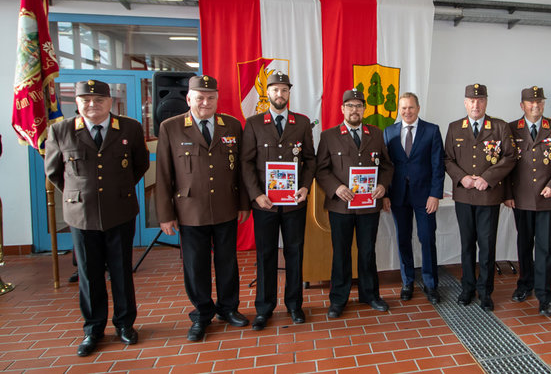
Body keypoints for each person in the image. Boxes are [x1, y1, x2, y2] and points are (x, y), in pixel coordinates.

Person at [45, 79, 149, 357]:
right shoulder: (61, 130)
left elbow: (140, 164)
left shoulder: (129, 128)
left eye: (99, 100)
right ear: (78, 103)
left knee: (121, 271)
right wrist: (79, 195)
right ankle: (93, 329)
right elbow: (54, 172)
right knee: (89, 275)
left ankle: (125, 324)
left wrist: (118, 190)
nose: (93, 104)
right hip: (82, 215)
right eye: (86, 100)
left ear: (110, 102)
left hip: (120, 211)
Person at [155, 75, 251, 341]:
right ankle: (202, 314)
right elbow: (163, 173)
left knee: (227, 262)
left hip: (225, 206)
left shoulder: (231, 125)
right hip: (190, 210)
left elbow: (241, 169)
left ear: (217, 99)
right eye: (200, 98)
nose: (205, 102)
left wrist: (243, 203)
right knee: (196, 266)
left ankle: (228, 308)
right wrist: (165, 214)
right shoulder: (171, 127)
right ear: (189, 99)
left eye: (210, 97)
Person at [240, 72, 316, 330]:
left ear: (289, 93)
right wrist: (256, 194)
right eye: (275, 90)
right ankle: (264, 308)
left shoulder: (302, 122)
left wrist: (305, 187)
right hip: (265, 204)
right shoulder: (254, 123)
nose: (280, 94)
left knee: (295, 253)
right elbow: (246, 162)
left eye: (284, 90)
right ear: (268, 93)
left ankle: (294, 305)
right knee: (266, 255)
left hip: (295, 202)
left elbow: (310, 160)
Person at [316, 89, 394, 318]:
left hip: (369, 205)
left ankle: (370, 295)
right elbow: (321, 170)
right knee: (341, 252)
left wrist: (383, 186)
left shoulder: (376, 134)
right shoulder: (329, 136)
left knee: (367, 251)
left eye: (358, 106)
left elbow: (387, 166)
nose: (354, 110)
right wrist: (336, 188)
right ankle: (338, 299)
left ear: (364, 109)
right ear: (342, 109)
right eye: (350, 105)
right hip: (341, 206)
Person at [444, 83, 516, 311]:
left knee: (486, 246)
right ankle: (467, 289)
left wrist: (488, 177)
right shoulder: (455, 127)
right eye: (472, 101)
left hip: (489, 196)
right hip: (464, 195)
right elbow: (447, 159)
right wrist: (462, 178)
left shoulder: (500, 127)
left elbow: (510, 157)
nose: (476, 104)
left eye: (480, 100)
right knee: (466, 245)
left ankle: (485, 292)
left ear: (486, 102)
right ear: (465, 103)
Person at [504, 86, 551, 317]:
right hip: (521, 198)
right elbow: (505, 165)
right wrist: (508, 194)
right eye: (531, 102)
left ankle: (545, 297)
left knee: (545, 249)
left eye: (540, 102)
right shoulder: (511, 129)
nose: (536, 106)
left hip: (547, 200)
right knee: (524, 245)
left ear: (543, 104)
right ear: (522, 105)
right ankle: (525, 285)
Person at [383, 92, 445, 304]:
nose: (407, 111)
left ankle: (430, 284)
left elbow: (438, 165)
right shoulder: (389, 132)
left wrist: (435, 194)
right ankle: (407, 281)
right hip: (398, 196)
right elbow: (386, 166)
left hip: (425, 196)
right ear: (398, 110)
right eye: (403, 108)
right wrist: (385, 195)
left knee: (427, 238)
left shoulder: (432, 130)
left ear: (418, 108)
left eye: (410, 107)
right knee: (403, 239)